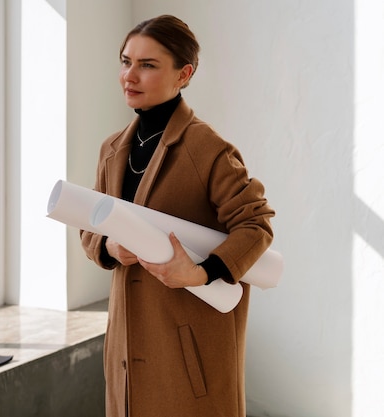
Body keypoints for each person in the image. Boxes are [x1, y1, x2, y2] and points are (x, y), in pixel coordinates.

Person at [80, 15, 275, 417]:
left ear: (183, 74)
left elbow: (256, 223)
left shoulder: (208, 148)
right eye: (125, 61)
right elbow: (90, 226)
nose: (129, 75)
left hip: (189, 348)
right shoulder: (112, 148)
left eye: (147, 65)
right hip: (127, 345)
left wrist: (202, 272)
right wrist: (110, 246)